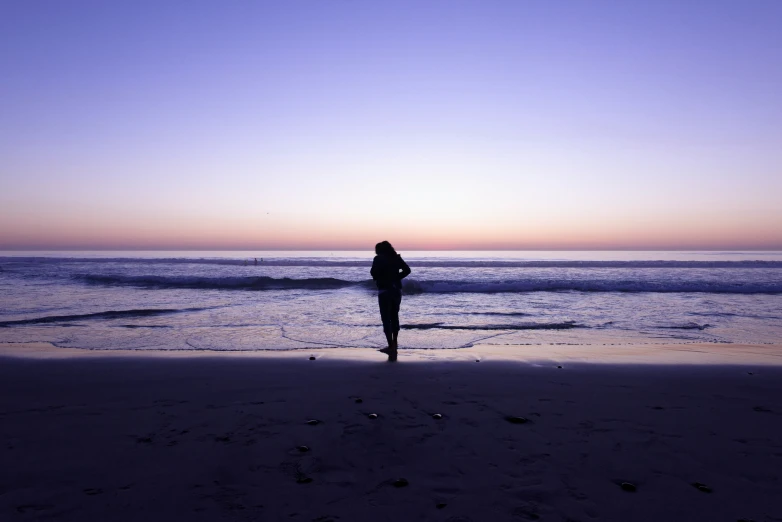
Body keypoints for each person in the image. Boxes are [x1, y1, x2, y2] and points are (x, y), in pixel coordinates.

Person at [370, 241, 411, 355]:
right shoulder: (396, 258)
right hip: (396, 290)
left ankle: (390, 346)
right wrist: (396, 277)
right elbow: (407, 270)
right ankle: (395, 342)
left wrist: (381, 276)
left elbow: (373, 273)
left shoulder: (378, 259)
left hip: (384, 290)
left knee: (386, 318)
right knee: (394, 316)